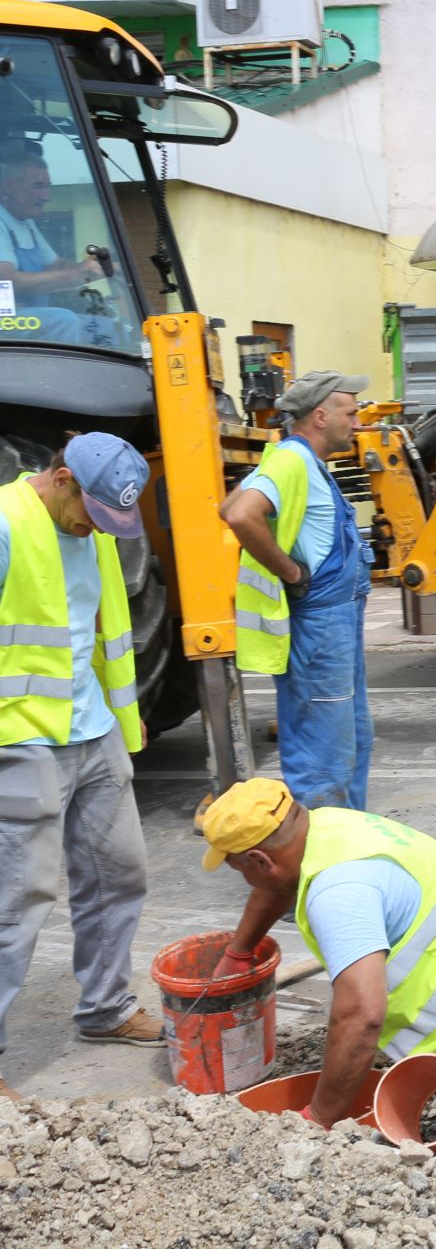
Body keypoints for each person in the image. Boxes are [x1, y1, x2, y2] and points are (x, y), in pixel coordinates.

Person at [201, 778, 436, 1143]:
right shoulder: (327, 829)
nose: (247, 881)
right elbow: (278, 880)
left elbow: (361, 1015)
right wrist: (240, 951)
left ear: (260, 860)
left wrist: (319, 1119)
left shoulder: (340, 892)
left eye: (242, 871)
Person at [0, 433, 164, 1100]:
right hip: (20, 735)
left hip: (93, 727)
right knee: (18, 898)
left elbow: (104, 632)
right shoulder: (7, 524)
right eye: (92, 511)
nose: (97, 527)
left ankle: (106, 1007)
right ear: (63, 477)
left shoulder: (92, 530)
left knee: (119, 871)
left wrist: (126, 716)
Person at [222, 372, 374, 810]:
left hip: (337, 623)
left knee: (353, 739)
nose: (357, 423)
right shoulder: (292, 460)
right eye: (350, 413)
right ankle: (324, 845)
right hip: (322, 628)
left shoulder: (298, 460)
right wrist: (291, 572)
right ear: (321, 416)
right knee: (324, 757)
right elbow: (240, 516)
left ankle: (352, 837)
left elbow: (228, 505)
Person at [0, 144, 108, 347]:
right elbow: (6, 282)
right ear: (9, 185)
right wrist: (72, 275)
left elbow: (56, 265)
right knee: (63, 321)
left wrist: (104, 268)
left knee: (103, 325)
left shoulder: (26, 222)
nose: (46, 196)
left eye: (47, 186)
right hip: (4, 320)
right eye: (38, 186)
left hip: (25, 316)